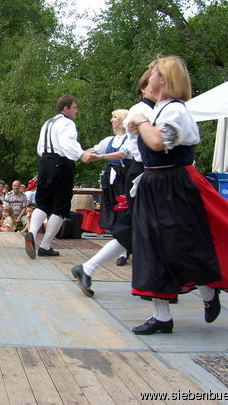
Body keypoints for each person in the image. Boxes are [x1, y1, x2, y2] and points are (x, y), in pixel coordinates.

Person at [128, 55, 228, 335]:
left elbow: (158, 142)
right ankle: (161, 316)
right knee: (151, 246)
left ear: (165, 80)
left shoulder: (176, 111)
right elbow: (141, 151)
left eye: (154, 72)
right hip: (154, 183)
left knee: (182, 245)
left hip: (174, 186)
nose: (149, 76)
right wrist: (137, 128)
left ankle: (208, 293)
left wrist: (141, 122)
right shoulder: (158, 111)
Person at [72, 69, 156, 296]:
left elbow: (125, 150)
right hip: (136, 175)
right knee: (132, 224)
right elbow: (123, 150)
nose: (111, 120)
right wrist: (83, 154)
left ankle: (157, 282)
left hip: (139, 175)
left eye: (114, 117)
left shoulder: (156, 111)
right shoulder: (138, 115)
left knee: (136, 225)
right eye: (155, 82)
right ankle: (155, 284)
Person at [24, 95, 96, 259]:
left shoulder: (48, 123)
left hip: (44, 163)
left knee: (42, 203)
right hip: (61, 164)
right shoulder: (67, 123)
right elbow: (67, 143)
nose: (76, 111)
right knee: (60, 207)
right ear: (66, 108)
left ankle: (33, 234)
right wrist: (81, 154)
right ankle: (45, 245)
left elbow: (39, 147)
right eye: (75, 107)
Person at [92, 109, 131, 232]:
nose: (112, 120)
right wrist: (79, 154)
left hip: (125, 174)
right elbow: (95, 150)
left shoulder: (130, 138)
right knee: (111, 203)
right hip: (111, 175)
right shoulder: (109, 140)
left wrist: (101, 157)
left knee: (124, 204)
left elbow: (122, 154)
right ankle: (115, 230)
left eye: (114, 117)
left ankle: (124, 232)